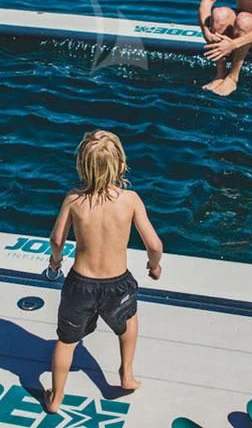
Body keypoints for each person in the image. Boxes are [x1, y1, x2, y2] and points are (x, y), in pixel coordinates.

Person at [45, 130, 163, 414]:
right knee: (128, 324)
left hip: (80, 284)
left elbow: (57, 240)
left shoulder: (74, 199)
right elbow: (154, 244)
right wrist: (154, 265)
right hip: (118, 285)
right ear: (122, 166)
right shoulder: (130, 200)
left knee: (66, 341)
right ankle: (126, 375)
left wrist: (55, 262)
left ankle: (56, 398)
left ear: (81, 167)